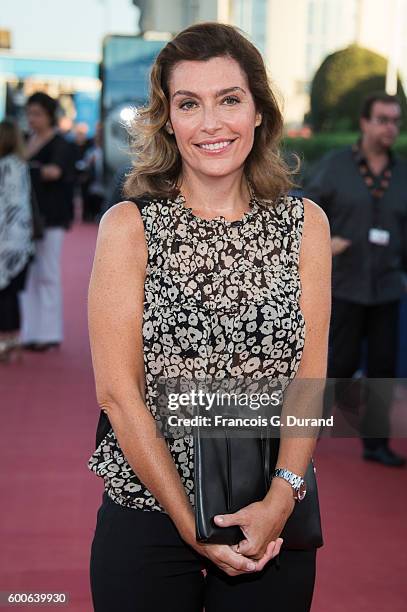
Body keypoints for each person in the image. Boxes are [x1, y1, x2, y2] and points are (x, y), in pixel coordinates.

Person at [87, 23, 331, 612]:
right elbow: (119, 395)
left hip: (270, 508)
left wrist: (282, 498)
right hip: (147, 507)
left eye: (230, 99)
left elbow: (311, 376)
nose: (212, 123)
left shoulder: (306, 225)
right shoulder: (129, 228)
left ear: (258, 113)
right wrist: (188, 521)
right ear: (168, 120)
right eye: (189, 103)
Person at [304, 92, 407, 467]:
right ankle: (302, 433)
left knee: (382, 369)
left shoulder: (403, 175)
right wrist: (325, 242)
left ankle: (376, 445)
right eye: (382, 119)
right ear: (365, 122)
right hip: (345, 284)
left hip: (387, 287)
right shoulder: (335, 167)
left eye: (395, 120)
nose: (389, 128)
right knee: (338, 363)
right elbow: (307, 214)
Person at [20, 92, 74, 352]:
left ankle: (50, 332)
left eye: (37, 114)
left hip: (51, 216)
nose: (32, 119)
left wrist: (26, 168)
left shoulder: (62, 144)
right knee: (27, 274)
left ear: (50, 115)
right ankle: (30, 332)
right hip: (24, 218)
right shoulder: (23, 139)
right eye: (29, 113)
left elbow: (55, 172)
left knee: (47, 273)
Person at [0, 119, 34, 362]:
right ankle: (12, 341)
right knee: (10, 293)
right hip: (20, 237)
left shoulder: (5, 167)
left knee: (4, 293)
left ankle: (6, 342)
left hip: (6, 238)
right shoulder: (19, 165)